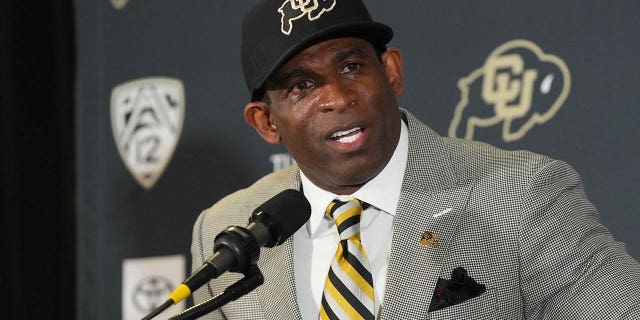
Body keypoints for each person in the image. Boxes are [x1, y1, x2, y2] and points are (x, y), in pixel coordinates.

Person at [191, 0, 640, 319]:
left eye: (350, 67)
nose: (338, 98)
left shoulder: (521, 194)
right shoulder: (226, 231)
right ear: (266, 121)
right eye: (302, 86)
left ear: (390, 72)